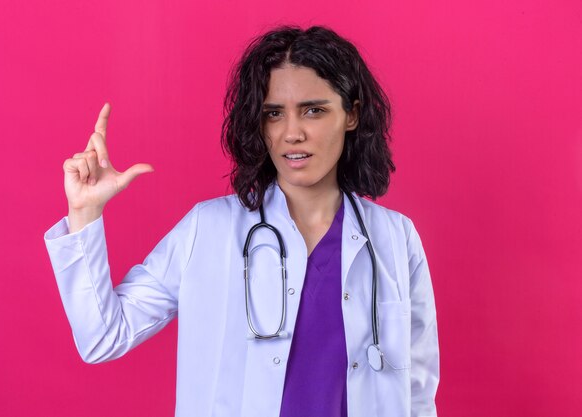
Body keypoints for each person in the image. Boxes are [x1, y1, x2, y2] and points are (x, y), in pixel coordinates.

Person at [44, 25, 439, 417]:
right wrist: (85, 212)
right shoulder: (209, 229)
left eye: (313, 110)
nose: (292, 133)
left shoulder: (394, 238)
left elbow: (418, 391)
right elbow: (102, 338)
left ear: (351, 115)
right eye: (273, 114)